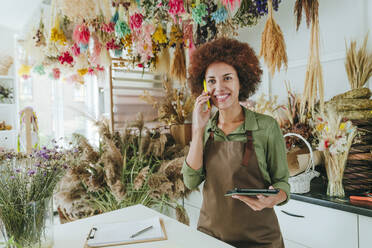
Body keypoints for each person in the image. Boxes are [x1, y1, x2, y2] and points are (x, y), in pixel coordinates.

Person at [181, 37, 290, 248]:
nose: (219, 87)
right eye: (211, 81)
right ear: (204, 86)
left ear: (241, 81)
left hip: (260, 240)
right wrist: (198, 128)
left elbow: (282, 182)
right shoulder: (205, 129)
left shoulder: (266, 127)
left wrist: (275, 198)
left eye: (227, 78)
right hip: (210, 238)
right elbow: (190, 181)